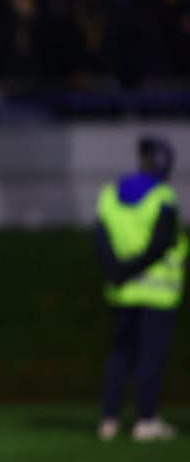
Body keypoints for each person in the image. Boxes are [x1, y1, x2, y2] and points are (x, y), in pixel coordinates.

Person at [95, 136, 186, 442]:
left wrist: (118, 272)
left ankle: (109, 420)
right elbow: (160, 244)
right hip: (158, 293)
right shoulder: (163, 197)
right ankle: (145, 420)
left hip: (122, 291)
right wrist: (132, 270)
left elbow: (102, 240)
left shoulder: (109, 193)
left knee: (121, 355)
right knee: (150, 357)